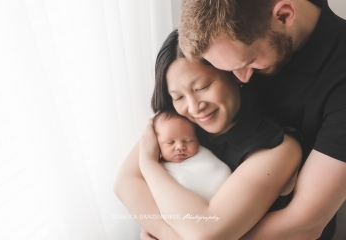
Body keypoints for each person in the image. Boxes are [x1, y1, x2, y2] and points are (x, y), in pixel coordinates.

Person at [178, 0, 346, 239]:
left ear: (285, 15)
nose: (241, 80)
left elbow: (307, 223)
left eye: (249, 63)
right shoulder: (219, 32)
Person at [114, 29, 302, 240]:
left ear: (234, 73)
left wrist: (148, 163)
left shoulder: (277, 148)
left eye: (202, 87)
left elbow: (206, 233)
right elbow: (125, 183)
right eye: (179, 97)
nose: (194, 108)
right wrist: (166, 233)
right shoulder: (177, 122)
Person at [154, 109, 231, 202]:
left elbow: (219, 172)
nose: (180, 147)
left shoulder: (202, 154)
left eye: (188, 141)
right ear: (156, 144)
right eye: (170, 142)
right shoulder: (156, 166)